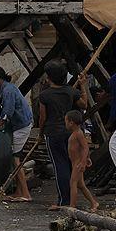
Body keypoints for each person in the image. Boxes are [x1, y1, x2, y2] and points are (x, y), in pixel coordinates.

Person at [38, 63, 88, 209]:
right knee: (71, 164)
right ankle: (72, 200)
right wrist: (83, 86)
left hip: (53, 133)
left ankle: (64, 201)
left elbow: (42, 118)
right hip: (70, 133)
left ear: (49, 78)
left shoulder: (44, 95)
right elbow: (84, 104)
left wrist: (40, 134)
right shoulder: (71, 91)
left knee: (60, 166)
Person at [0, 65, 34, 201]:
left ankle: (25, 194)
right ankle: (19, 191)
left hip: (21, 126)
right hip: (21, 124)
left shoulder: (7, 90)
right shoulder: (8, 88)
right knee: (15, 158)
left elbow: (7, 113)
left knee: (15, 159)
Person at [65, 110, 99, 212]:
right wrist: (87, 158)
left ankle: (72, 206)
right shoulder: (75, 133)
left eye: (66, 121)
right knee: (81, 185)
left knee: (73, 183)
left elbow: (85, 147)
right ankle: (94, 203)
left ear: (71, 122)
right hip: (75, 162)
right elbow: (83, 148)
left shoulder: (78, 133)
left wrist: (83, 162)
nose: (65, 124)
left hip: (78, 163)